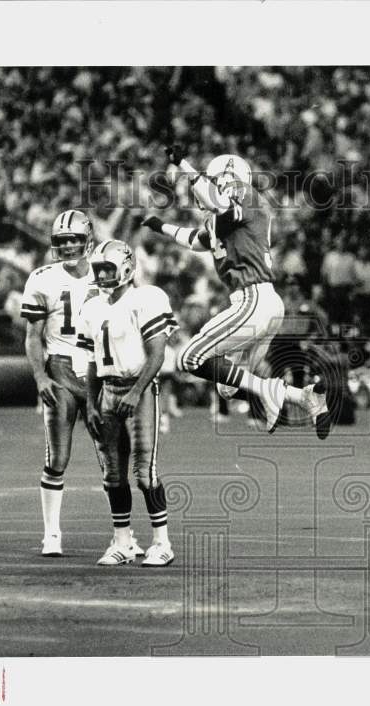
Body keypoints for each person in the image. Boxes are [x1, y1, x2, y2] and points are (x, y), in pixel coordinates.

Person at [141, 146, 331, 438]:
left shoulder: (245, 195)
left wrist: (184, 165)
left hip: (253, 299)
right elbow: (196, 239)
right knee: (227, 386)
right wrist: (160, 226)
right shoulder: (226, 218)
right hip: (263, 303)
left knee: (189, 359)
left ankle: (269, 391)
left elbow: (219, 203)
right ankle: (302, 397)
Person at [78, 240, 178, 566]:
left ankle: (162, 543)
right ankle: (122, 542)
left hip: (140, 389)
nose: (103, 275)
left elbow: (158, 353)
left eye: (109, 268)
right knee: (112, 473)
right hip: (107, 390)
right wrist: (91, 403)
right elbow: (92, 361)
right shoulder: (92, 307)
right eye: (99, 269)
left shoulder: (146, 298)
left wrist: (136, 391)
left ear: (126, 267)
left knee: (144, 471)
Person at [20, 210, 105, 557]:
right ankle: (52, 533)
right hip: (61, 368)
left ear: (88, 241)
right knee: (58, 456)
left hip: (102, 371)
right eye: (62, 240)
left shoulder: (108, 272)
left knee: (111, 458)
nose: (68, 245)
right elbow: (32, 335)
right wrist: (40, 376)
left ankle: (123, 534)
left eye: (74, 239)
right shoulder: (41, 279)